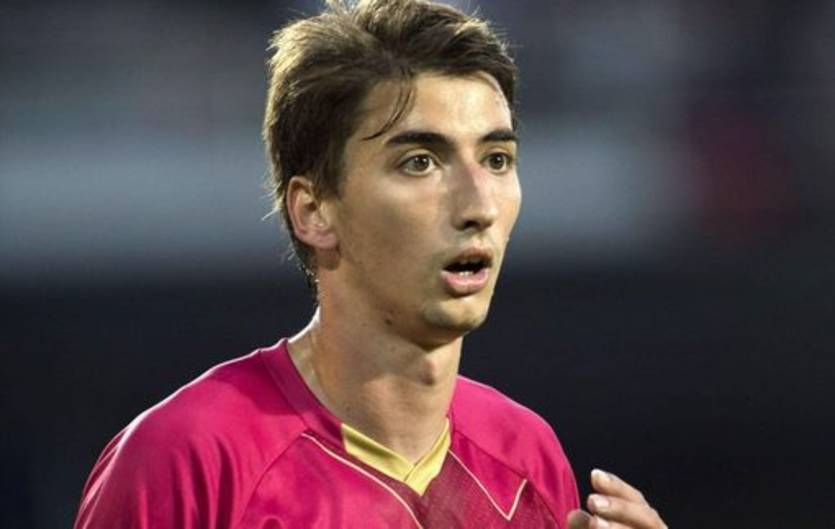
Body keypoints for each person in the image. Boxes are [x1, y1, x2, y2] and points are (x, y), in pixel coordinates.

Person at [74, 1, 668, 528]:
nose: (479, 206)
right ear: (314, 211)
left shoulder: (525, 458)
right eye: (419, 162)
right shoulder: (189, 459)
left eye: (496, 159)